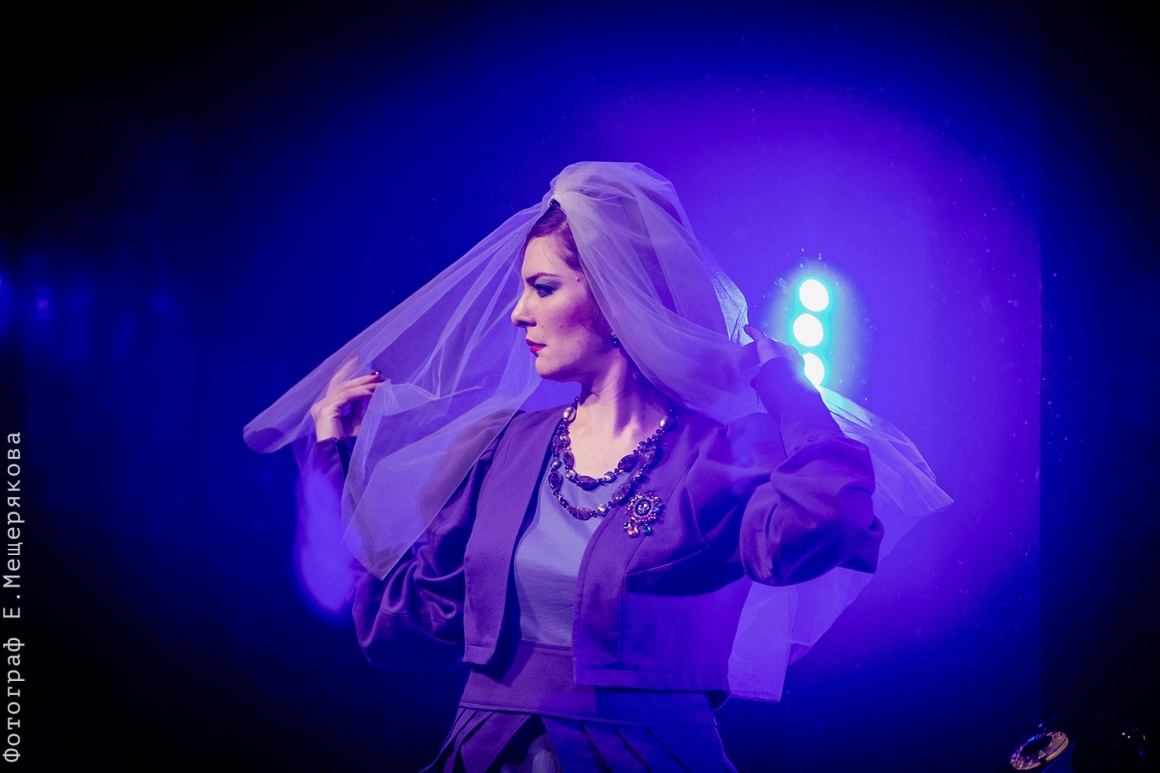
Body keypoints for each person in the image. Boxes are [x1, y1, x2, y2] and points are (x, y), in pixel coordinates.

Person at [245, 162, 951, 771]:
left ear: (615, 301)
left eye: (543, 287)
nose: (518, 313)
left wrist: (786, 389)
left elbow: (825, 525)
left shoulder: (715, 458)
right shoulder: (503, 449)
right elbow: (401, 623)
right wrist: (333, 458)